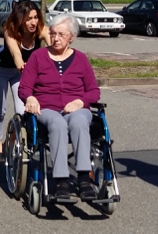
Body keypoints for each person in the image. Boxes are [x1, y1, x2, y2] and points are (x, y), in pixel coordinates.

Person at [18, 14, 101, 200]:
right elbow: (24, 88)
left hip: (76, 108)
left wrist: (81, 102)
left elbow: (94, 91)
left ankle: (84, 178)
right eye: (53, 34)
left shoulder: (81, 59)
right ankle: (62, 180)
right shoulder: (38, 57)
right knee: (58, 123)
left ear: (72, 37)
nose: (56, 38)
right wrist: (30, 98)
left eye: (61, 35)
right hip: (46, 108)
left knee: (79, 121)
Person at [0, 0, 48, 162]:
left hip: (19, 74)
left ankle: (17, 139)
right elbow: (16, 54)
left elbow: (54, 44)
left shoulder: (40, 29)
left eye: (35, 17)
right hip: (0, 69)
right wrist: (23, 66)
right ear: (20, 19)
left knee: (23, 110)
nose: (33, 22)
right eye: (28, 19)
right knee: (0, 110)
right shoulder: (11, 31)